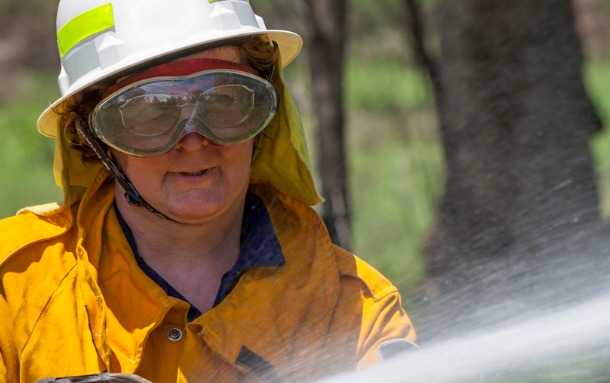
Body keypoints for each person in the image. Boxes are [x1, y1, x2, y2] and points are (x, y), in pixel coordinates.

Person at [0, 1, 416, 381]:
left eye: (224, 100)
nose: (194, 140)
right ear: (92, 136)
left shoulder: (354, 308)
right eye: (150, 111)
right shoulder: (14, 285)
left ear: (265, 115)